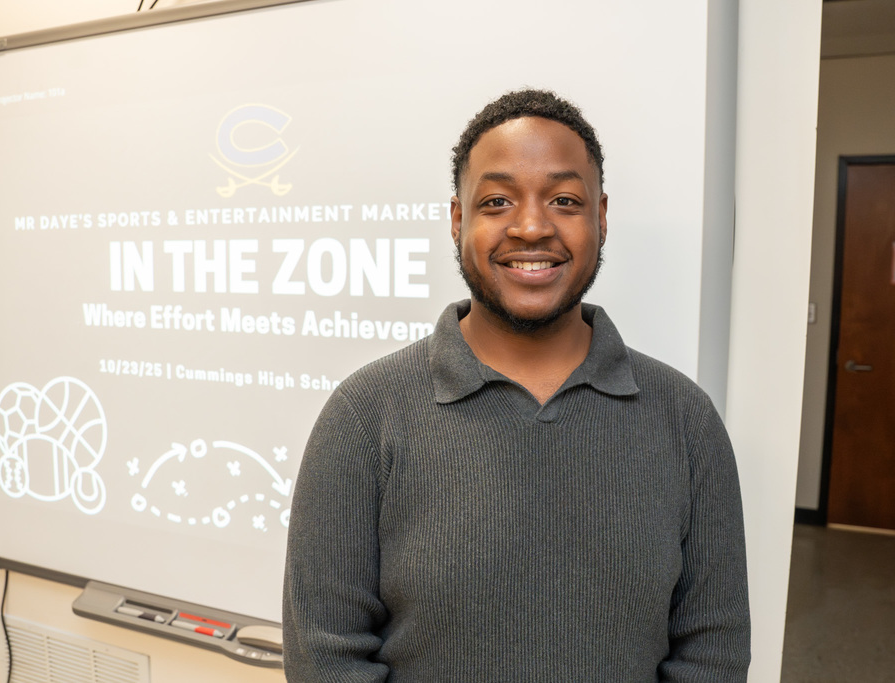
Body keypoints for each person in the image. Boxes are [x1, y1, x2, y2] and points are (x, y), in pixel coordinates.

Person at [282, 88, 750, 681]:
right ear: (459, 220)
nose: (531, 227)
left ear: (601, 217)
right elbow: (326, 658)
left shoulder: (686, 419)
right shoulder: (363, 415)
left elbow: (714, 655)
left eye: (564, 199)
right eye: (498, 200)